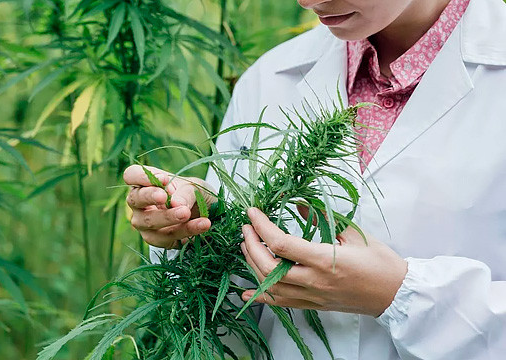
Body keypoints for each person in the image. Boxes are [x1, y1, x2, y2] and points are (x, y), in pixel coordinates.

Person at [123, 0, 506, 358]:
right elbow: (227, 317)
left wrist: (399, 295)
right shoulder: (269, 79)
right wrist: (201, 226)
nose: (306, 0)